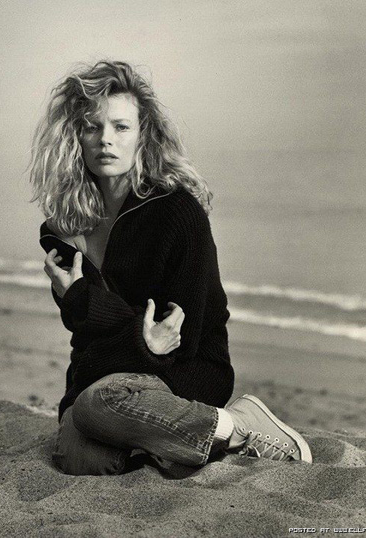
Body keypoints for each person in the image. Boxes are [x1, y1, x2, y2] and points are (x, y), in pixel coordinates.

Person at [29, 60, 312, 476]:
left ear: (143, 135)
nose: (106, 139)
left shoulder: (177, 213)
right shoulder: (64, 229)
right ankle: (177, 444)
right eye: (92, 127)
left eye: (121, 127)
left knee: (97, 405)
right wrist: (136, 338)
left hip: (188, 371)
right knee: (79, 457)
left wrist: (86, 304)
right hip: (105, 373)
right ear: (76, 136)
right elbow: (91, 338)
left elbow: (181, 339)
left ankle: (239, 425)